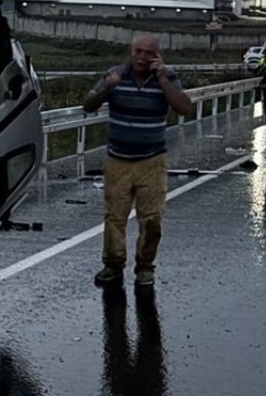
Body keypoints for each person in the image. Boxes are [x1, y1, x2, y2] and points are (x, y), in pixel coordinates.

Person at [83, 34, 193, 287]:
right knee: (115, 217)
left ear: (158, 55)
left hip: (152, 161)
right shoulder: (114, 74)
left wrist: (163, 79)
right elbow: (88, 105)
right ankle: (113, 265)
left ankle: (145, 266)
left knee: (152, 218)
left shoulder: (168, 76)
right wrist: (107, 89)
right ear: (130, 52)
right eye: (138, 51)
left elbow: (185, 108)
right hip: (118, 160)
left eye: (149, 53)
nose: (143, 57)